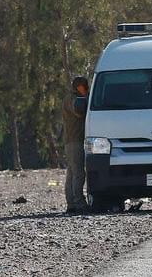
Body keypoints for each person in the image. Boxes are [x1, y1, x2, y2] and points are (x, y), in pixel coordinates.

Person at [63, 76, 90, 213]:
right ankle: (78, 203)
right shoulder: (72, 99)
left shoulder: (72, 97)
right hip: (75, 141)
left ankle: (72, 204)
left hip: (73, 141)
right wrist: (87, 99)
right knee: (78, 174)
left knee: (72, 174)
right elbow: (78, 110)